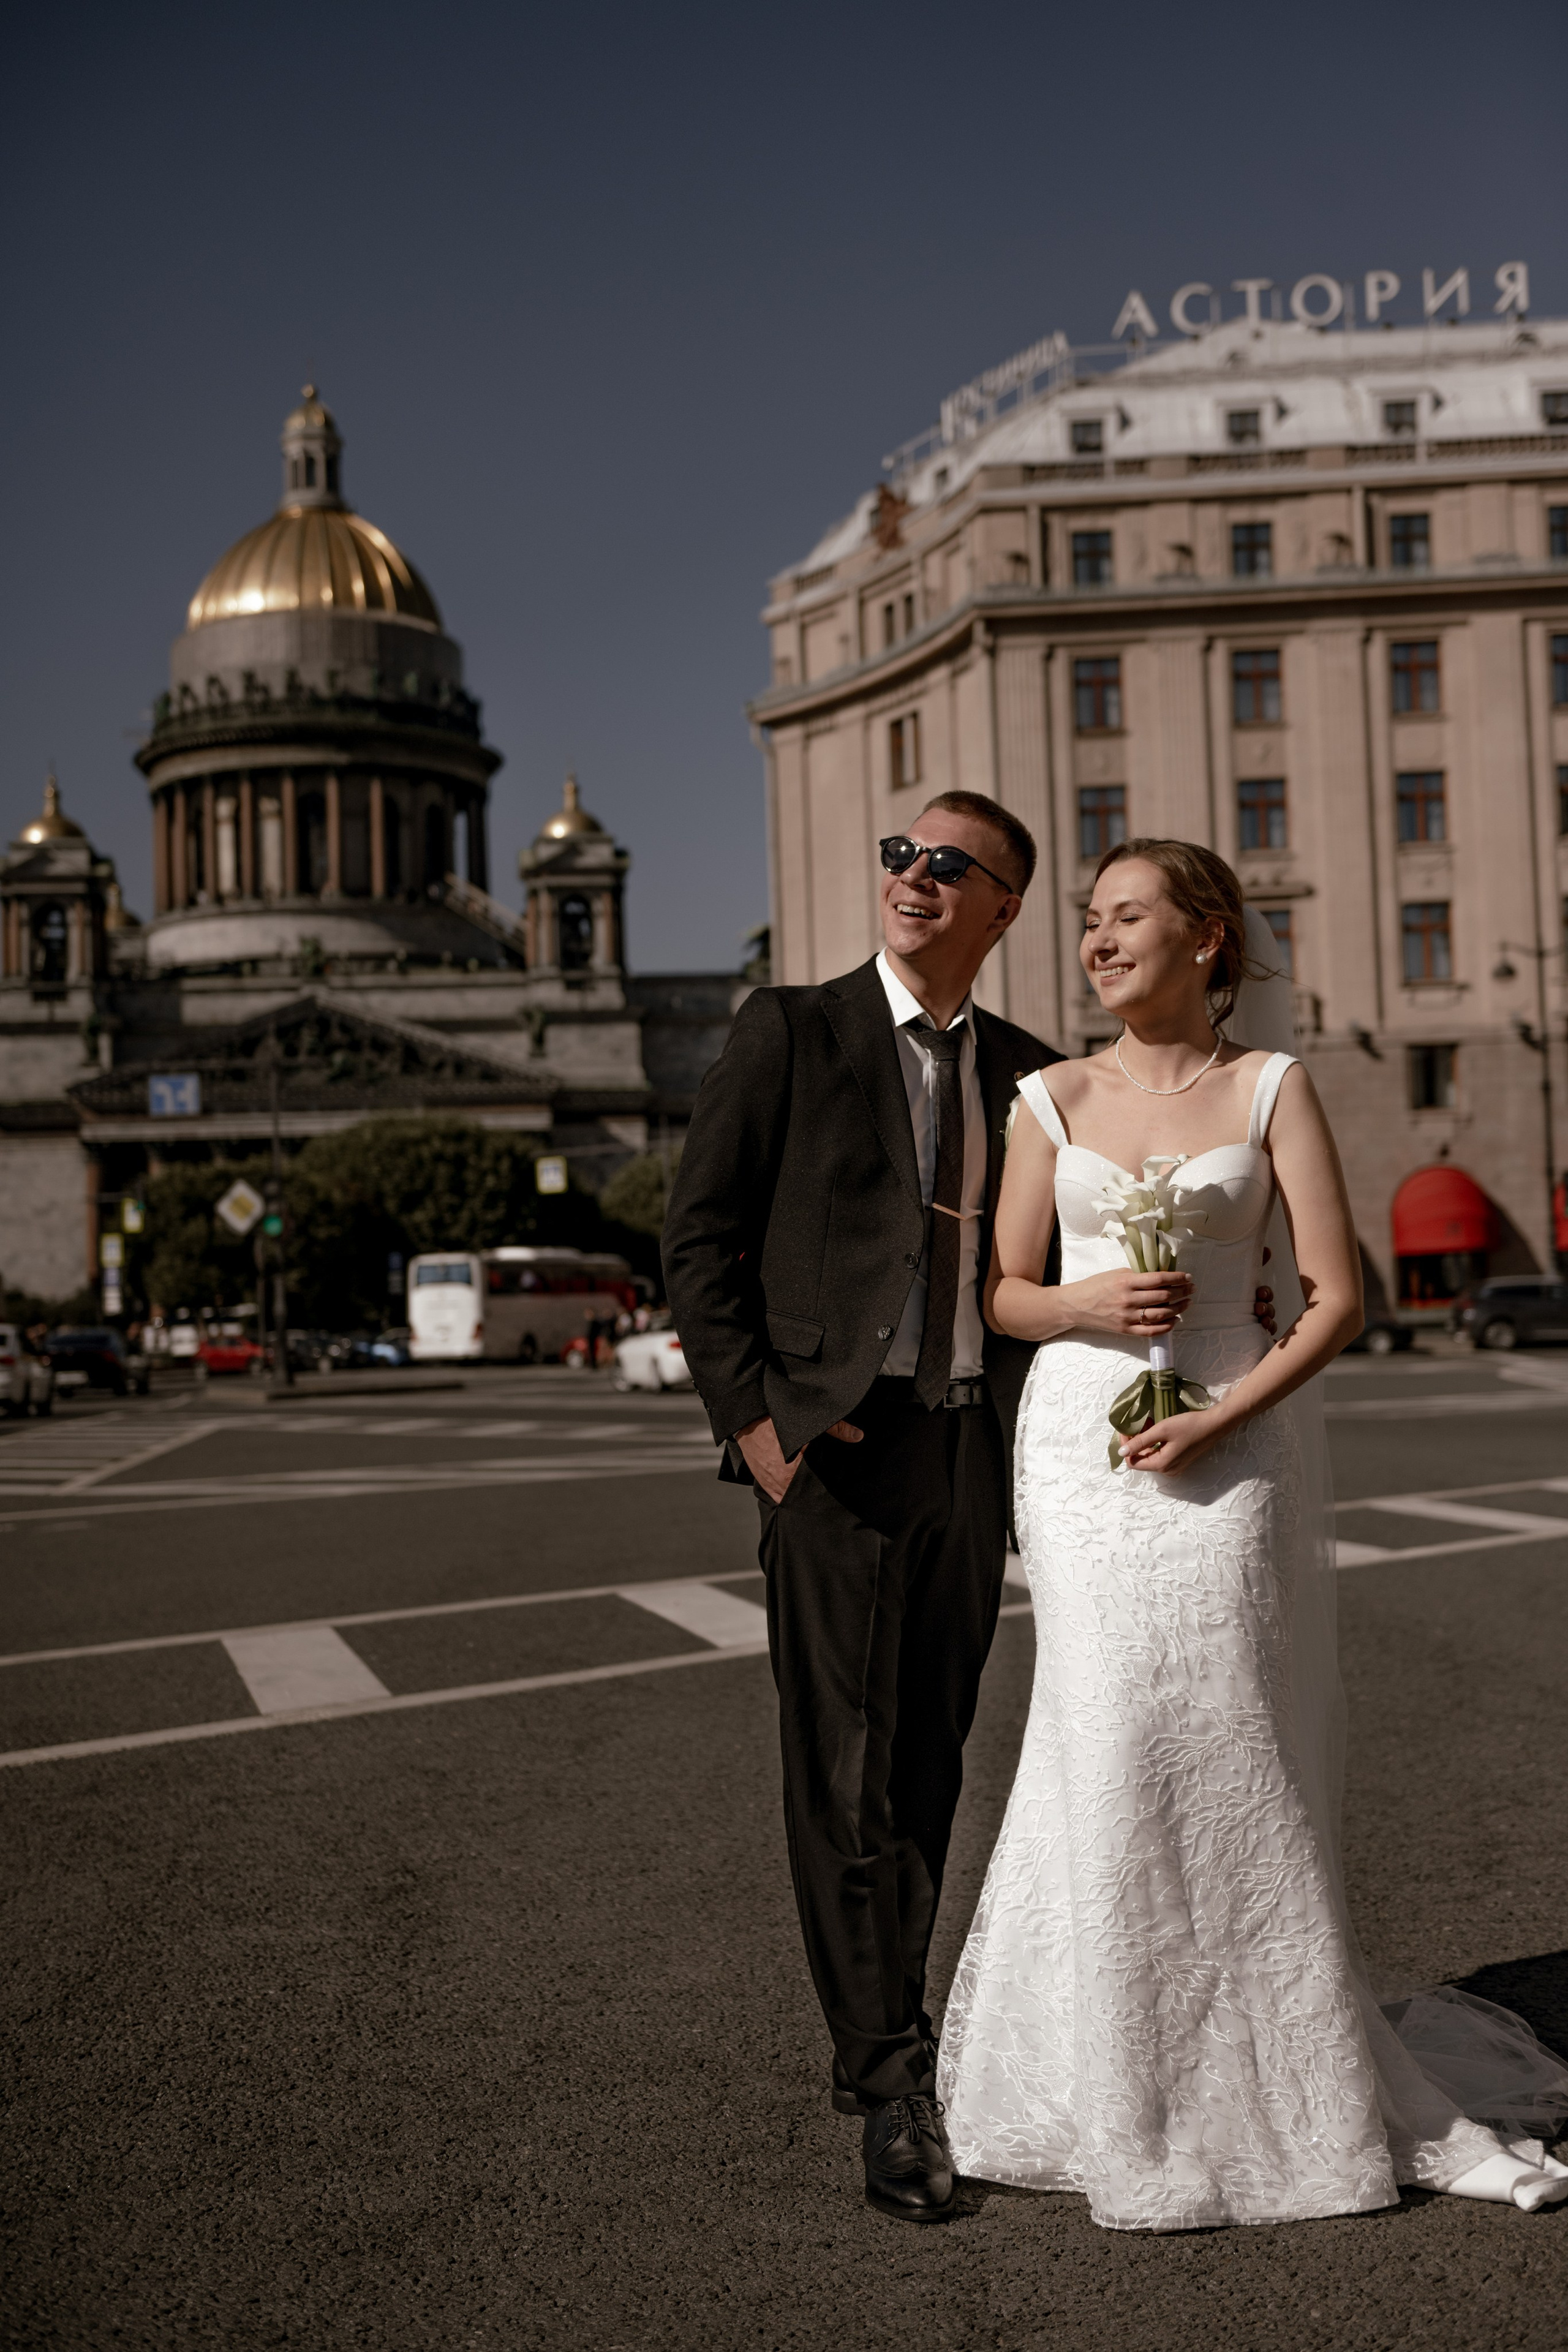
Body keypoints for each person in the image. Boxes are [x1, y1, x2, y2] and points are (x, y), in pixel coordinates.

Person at [663, 796, 1279, 2223]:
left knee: (929, 1760)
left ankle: (917, 2030)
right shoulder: (790, 1032)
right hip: (834, 1451)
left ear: (1001, 908)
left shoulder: (1028, 1075)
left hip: (969, 1455)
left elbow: (1092, 1243)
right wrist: (762, 1434)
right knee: (842, 1773)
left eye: (947, 868)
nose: (912, 881)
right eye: (897, 855)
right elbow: (697, 1242)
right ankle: (884, 2081)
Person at [937, 836, 1568, 2227]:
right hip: (1082, 1444)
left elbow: (1337, 1297)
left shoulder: (1271, 1086)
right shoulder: (1042, 1096)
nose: (1097, 942)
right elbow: (999, 1293)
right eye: (1090, 922)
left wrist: (1219, 1417)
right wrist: (1083, 1308)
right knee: (1101, 1736)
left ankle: (1279, 2078)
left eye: (1126, 918)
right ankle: (1112, 2083)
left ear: (1206, 937)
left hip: (1233, 1428)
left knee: (1225, 1731)